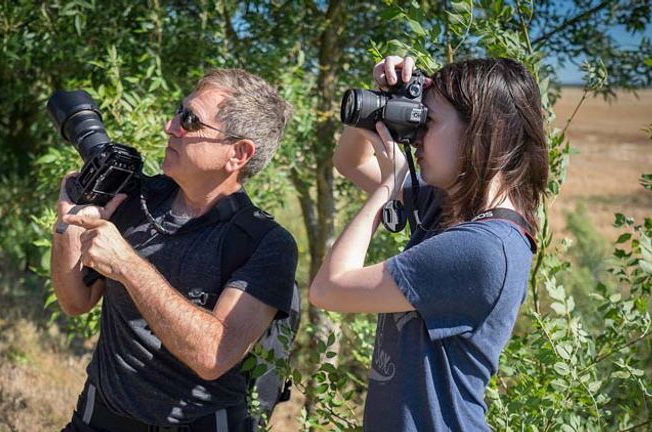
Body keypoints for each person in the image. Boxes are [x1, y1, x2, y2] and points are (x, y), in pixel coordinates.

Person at [309, 55, 548, 431]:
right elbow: (350, 162)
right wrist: (383, 99)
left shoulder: (483, 249)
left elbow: (329, 288)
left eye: (428, 121)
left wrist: (390, 184)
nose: (416, 135)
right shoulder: (451, 206)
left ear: (486, 131)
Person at [52, 69, 298, 432]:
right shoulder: (138, 198)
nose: (171, 127)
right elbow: (75, 301)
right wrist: (67, 227)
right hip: (99, 418)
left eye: (190, 120)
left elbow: (214, 356)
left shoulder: (265, 243)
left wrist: (127, 265)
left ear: (238, 153)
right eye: (177, 112)